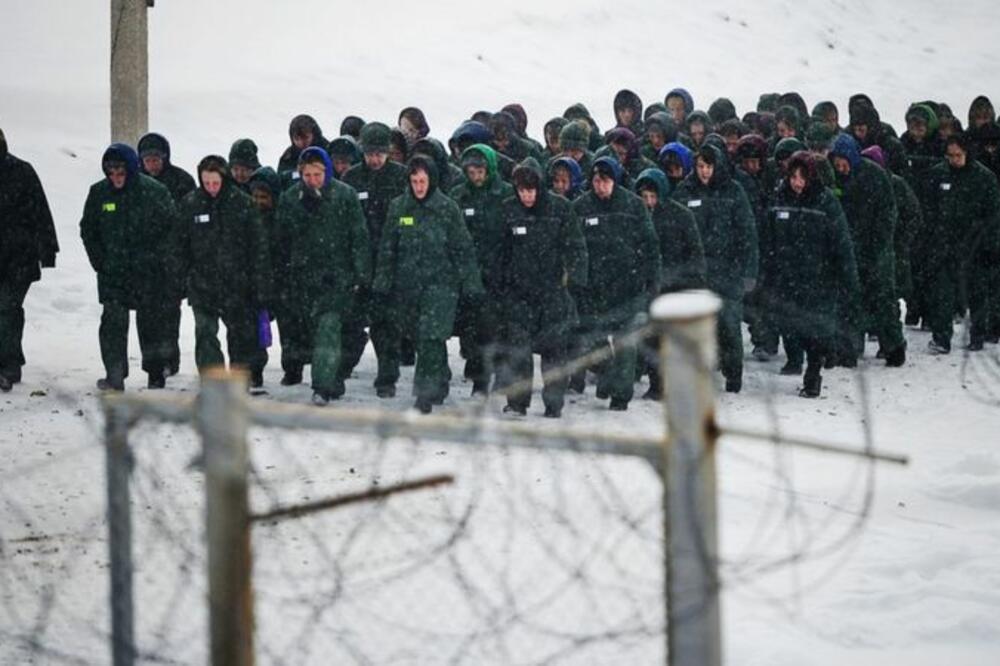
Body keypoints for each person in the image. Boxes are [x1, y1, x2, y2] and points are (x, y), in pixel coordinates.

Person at [373, 154, 484, 413]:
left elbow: (462, 249)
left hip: (441, 286)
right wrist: (382, 283)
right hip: (408, 287)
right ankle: (439, 381)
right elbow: (389, 248)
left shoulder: (447, 208)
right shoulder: (399, 208)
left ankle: (424, 394)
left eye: (423, 181)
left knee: (430, 335)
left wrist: (472, 285)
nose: (419, 187)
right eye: (414, 181)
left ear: (431, 180)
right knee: (426, 340)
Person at [275, 147, 371, 404]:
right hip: (302, 280)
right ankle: (331, 378)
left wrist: (361, 276)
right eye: (307, 175)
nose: (313, 180)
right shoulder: (290, 199)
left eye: (317, 174)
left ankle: (323, 386)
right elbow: (281, 242)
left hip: (336, 278)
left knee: (329, 328)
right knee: (312, 334)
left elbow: (358, 237)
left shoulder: (344, 196)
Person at [761, 151, 860, 397]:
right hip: (786, 277)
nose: (797, 182)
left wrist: (848, 277)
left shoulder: (825, 202)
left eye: (802, 177)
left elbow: (841, 243)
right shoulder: (778, 198)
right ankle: (797, 359)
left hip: (818, 278)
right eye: (793, 176)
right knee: (790, 324)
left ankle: (813, 375)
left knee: (815, 329)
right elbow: (768, 238)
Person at [80, 144, 177, 391]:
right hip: (113, 272)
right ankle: (115, 374)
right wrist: (99, 260)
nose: (116, 177)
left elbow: (171, 230)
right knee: (112, 323)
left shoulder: (154, 193)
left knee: (151, 323)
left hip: (148, 272)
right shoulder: (99, 193)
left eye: (120, 171)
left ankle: (156, 372)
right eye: (110, 171)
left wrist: (158, 260)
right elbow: (88, 230)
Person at [496, 158, 588, 417]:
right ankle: (516, 402)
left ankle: (553, 402)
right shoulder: (508, 210)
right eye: (521, 190)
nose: (526, 196)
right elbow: (499, 252)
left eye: (531, 190)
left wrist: (575, 281)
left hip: (552, 292)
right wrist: (501, 286)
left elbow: (576, 247)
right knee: (518, 350)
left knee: (554, 351)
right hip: (518, 294)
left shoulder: (560, 209)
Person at [570, 157, 660, 410]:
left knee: (625, 344)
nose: (600, 186)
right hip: (592, 288)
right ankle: (607, 376)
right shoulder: (581, 207)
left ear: (615, 181)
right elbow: (573, 246)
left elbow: (650, 246)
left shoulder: (633, 205)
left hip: (627, 286)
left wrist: (652, 281)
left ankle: (621, 395)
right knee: (595, 341)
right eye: (596, 180)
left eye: (606, 181)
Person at [173, 156, 271, 384]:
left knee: (239, 338)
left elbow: (258, 248)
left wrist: (259, 284)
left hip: (237, 284)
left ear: (224, 179)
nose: (211, 188)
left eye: (215, 183)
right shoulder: (190, 204)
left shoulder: (242, 204)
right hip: (202, 284)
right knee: (205, 334)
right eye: (206, 183)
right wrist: (181, 278)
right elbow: (179, 246)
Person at [671, 144, 758, 392]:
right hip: (696, 272)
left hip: (728, 271)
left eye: (709, 166)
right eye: (700, 166)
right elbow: (675, 230)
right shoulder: (685, 191)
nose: (704, 172)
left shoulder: (733, 191)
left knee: (729, 325)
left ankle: (733, 375)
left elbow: (748, 233)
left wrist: (748, 271)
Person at [340, 122, 409, 397]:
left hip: (389, 261)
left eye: (380, 153)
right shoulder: (352, 179)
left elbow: (410, 217)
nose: (375, 159)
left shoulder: (401, 177)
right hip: (359, 261)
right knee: (352, 322)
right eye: (370, 153)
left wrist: (398, 226)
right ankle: (340, 371)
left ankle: (387, 379)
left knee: (386, 326)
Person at [828, 133, 906, 366]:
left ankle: (893, 347)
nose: (841, 168)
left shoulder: (875, 176)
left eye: (844, 164)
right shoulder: (835, 179)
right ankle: (849, 350)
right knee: (849, 302)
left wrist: (877, 245)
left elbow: (887, 213)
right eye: (837, 164)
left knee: (883, 301)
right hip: (848, 248)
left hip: (876, 250)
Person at [922, 133, 1000, 353]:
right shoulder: (938, 174)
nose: (954, 160)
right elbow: (929, 208)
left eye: (958, 155)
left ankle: (978, 335)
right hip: (945, 243)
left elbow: (993, 216)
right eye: (950, 155)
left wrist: (989, 244)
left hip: (975, 245)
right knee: (942, 293)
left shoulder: (985, 179)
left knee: (977, 292)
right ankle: (941, 338)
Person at [634, 168, 706, 399]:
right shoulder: (636, 216)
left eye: (653, 196)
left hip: (677, 285)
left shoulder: (681, 216)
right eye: (644, 197)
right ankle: (657, 385)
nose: (649, 202)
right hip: (650, 286)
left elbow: (694, 253)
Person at [449, 144, 513, 395]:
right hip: (468, 273)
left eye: (480, 172)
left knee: (494, 329)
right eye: (471, 172)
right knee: (471, 330)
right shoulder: (459, 196)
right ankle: (479, 377)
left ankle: (492, 377)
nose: (476, 177)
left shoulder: (505, 194)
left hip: (498, 272)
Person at [0, 128, 59, 392]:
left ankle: (9, 365)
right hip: (14, 255)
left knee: (7, 309)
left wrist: (48, 251)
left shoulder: (22, 172)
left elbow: (40, 212)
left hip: (19, 258)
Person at [138, 131, 196, 376]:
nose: (152, 164)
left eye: (156, 159)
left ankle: (169, 360)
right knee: (146, 316)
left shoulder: (181, 181)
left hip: (173, 260)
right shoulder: (136, 182)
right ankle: (151, 362)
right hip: (144, 261)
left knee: (170, 314)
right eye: (147, 159)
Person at [277, 114, 328, 185]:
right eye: (297, 139)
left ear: (314, 135)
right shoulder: (288, 156)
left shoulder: (328, 150)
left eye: (305, 138)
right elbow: (282, 180)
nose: (301, 143)